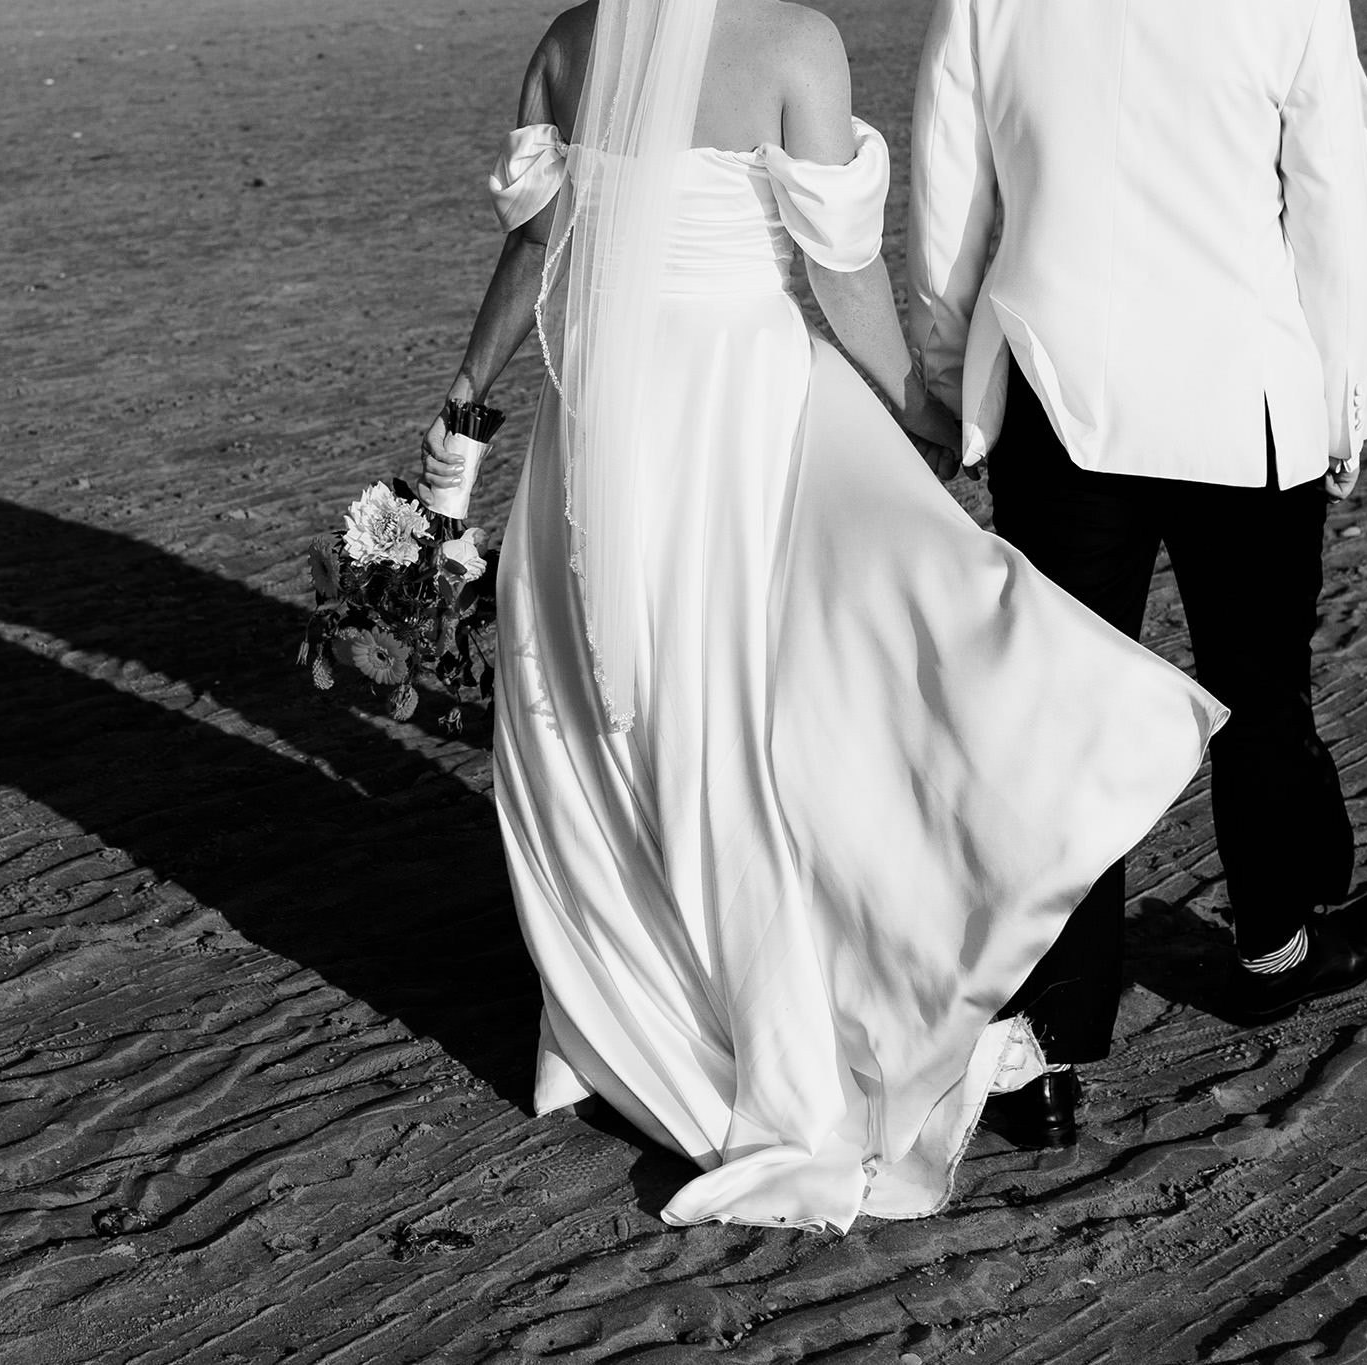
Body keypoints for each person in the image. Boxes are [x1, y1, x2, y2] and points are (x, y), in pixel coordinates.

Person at [419, 0, 1223, 1232]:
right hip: (744, 411)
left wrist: (464, 404)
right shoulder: (794, 43)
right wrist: (920, 409)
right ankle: (858, 1005)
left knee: (610, 717)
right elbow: (841, 276)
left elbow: (533, 250)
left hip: (604, 429)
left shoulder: (570, 43)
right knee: (808, 690)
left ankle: (637, 1018)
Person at [908, 0, 1367, 1151]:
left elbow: (950, 191)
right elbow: (1329, 193)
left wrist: (949, 383)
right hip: (1243, 385)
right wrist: (1342, 397)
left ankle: (1047, 1052)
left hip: (1056, 386)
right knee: (1256, 686)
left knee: (1061, 726)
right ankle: (1274, 943)